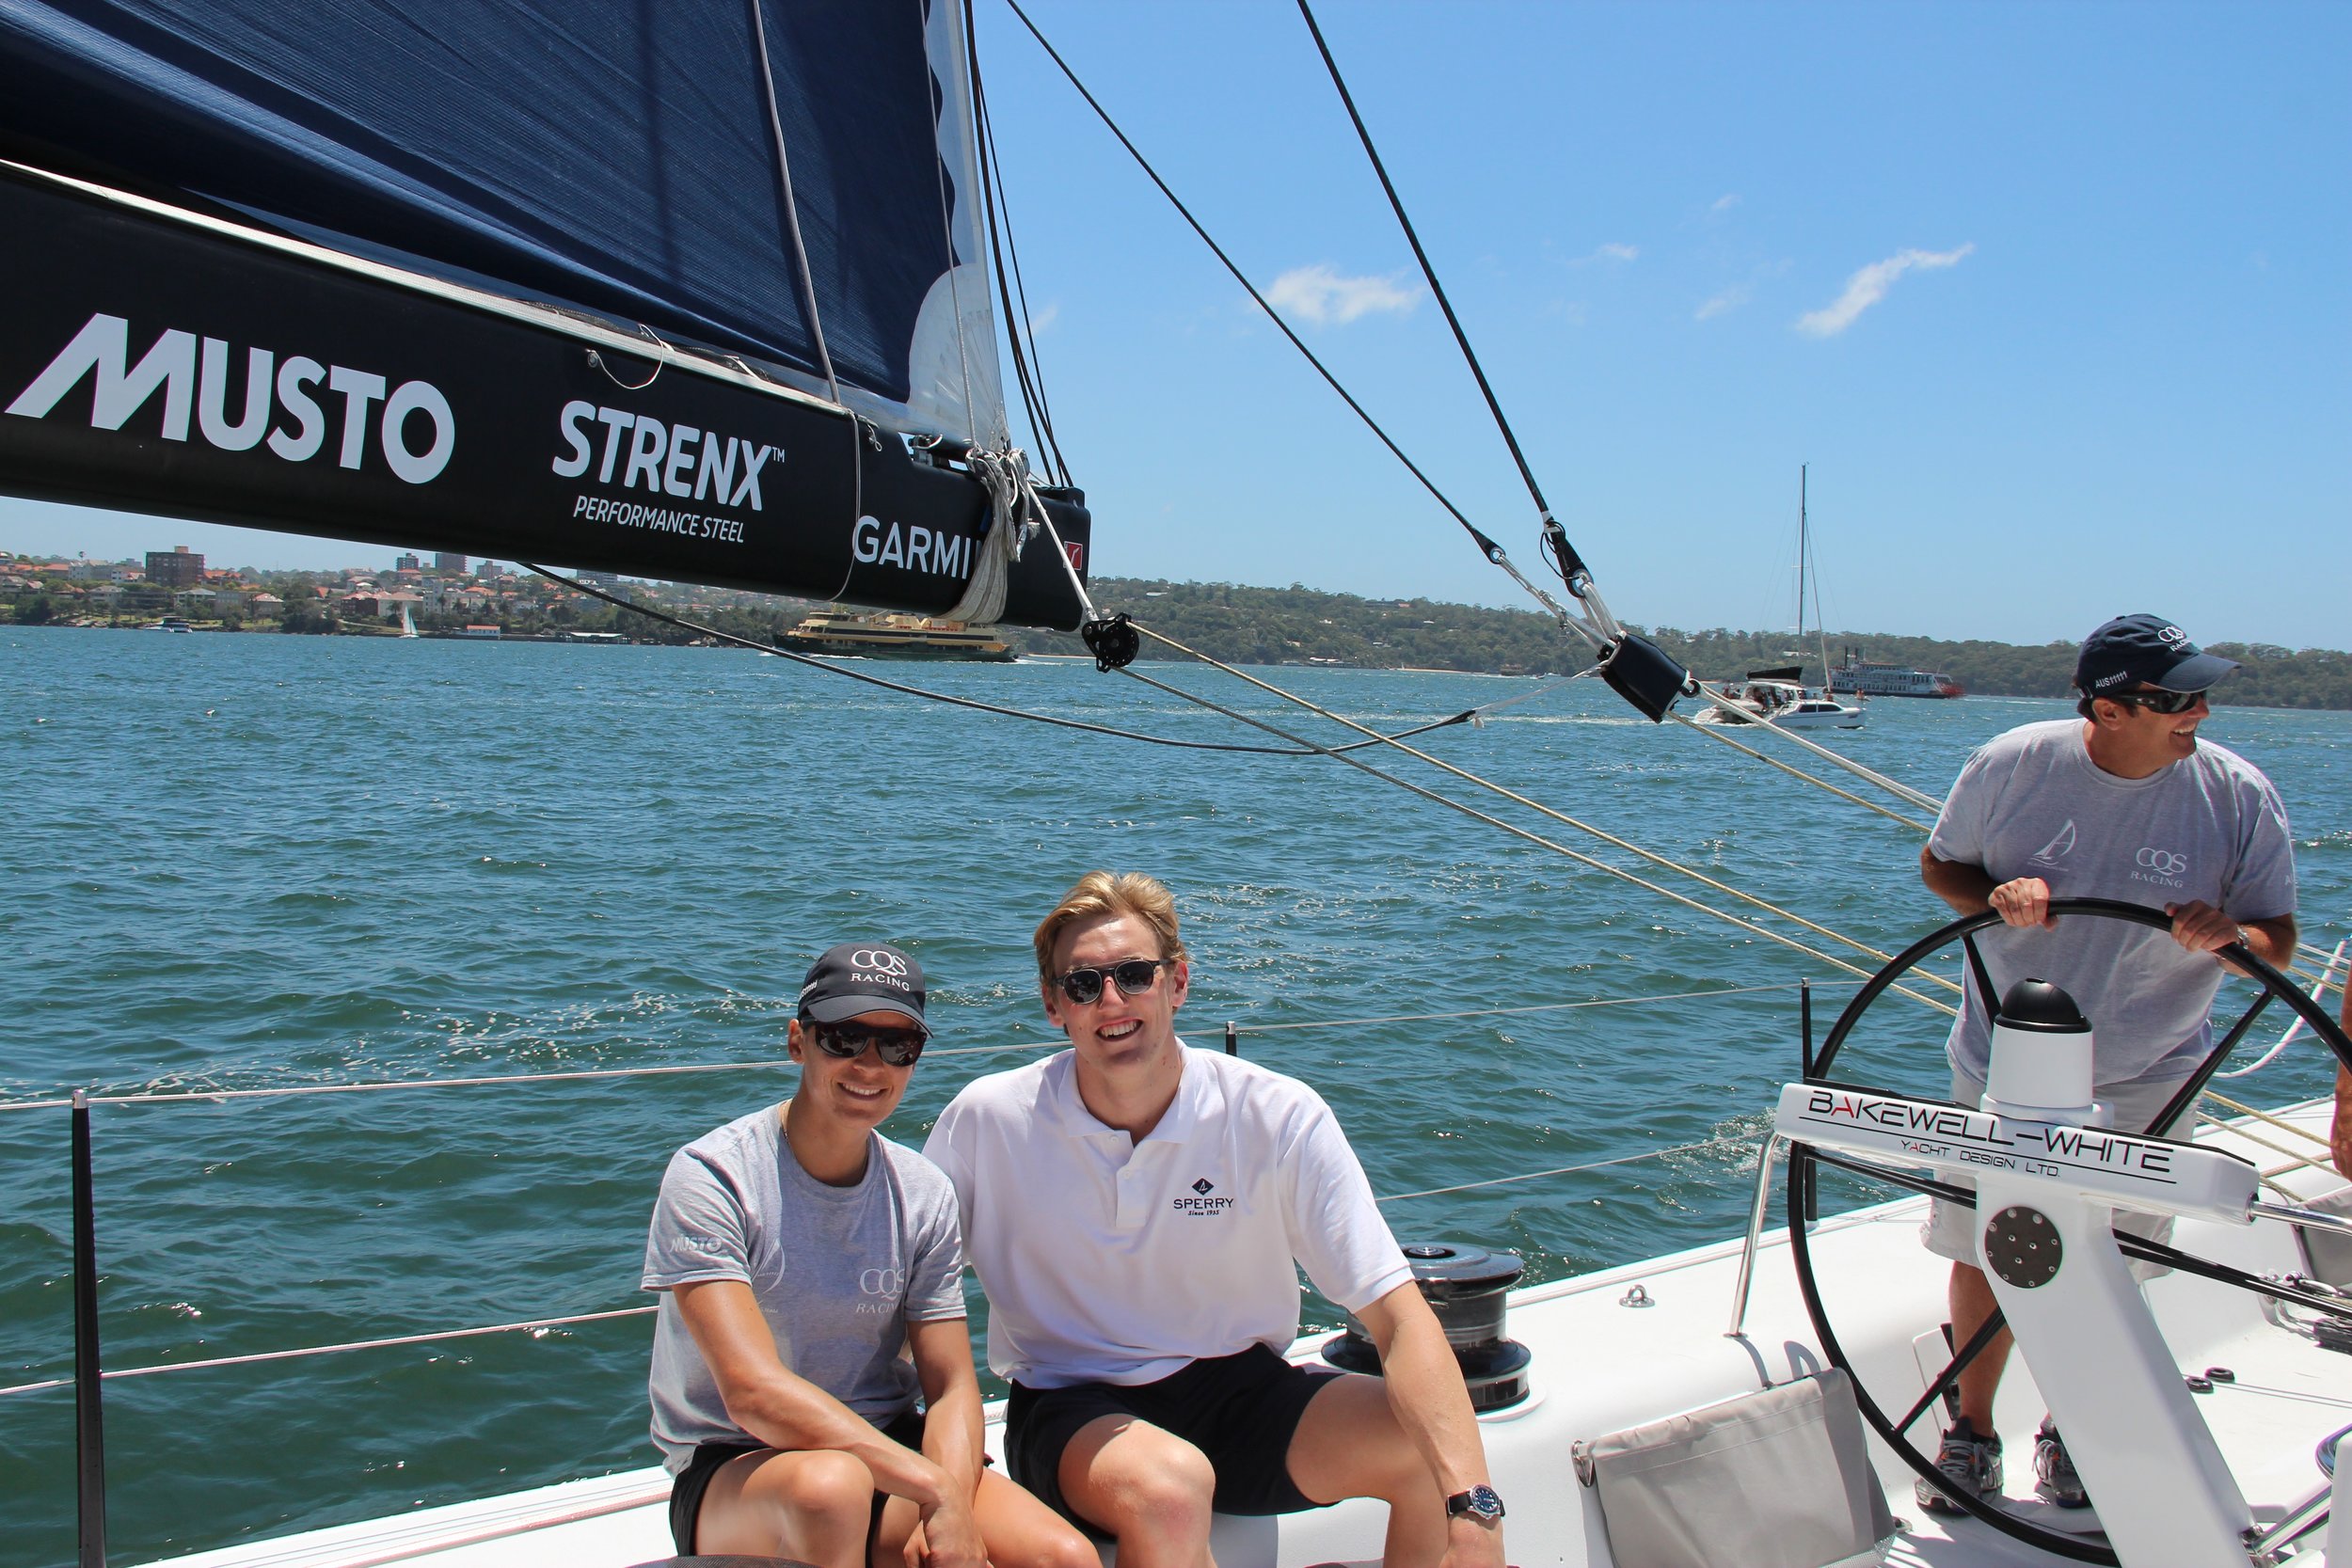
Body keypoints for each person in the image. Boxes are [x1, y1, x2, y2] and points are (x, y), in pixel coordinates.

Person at [924, 872, 1506, 1568]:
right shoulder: (989, 1121)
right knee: (1170, 1487)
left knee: (1425, 1451)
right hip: (1070, 1402)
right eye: (1084, 985)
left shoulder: (1275, 1115)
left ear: (1178, 982)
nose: (1113, 1000)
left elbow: (1400, 1318)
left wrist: (1476, 1515)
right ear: (1054, 1005)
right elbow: (909, 1289)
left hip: (1241, 1393)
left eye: (1135, 974)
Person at [1915, 613, 2297, 1515]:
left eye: (2201, 694)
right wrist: (1995, 894)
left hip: (2152, 1069)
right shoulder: (2013, 764)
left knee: (2113, 1258)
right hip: (2007, 1056)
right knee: (1986, 1247)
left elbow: (2277, 940)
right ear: (2110, 706)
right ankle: (1971, 1431)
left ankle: (2072, 1429)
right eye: (2177, 698)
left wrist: (2231, 934)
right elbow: (1942, 867)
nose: (2200, 711)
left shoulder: (2239, 794)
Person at [641, 941, 1093, 1568]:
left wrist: (951, 1505)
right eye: (844, 1038)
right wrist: (930, 1488)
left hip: (889, 1445)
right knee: (831, 1489)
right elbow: (752, 1392)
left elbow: (952, 1383)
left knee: (1064, 1556)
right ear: (798, 1040)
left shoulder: (923, 1191)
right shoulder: (712, 1176)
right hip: (739, 1461)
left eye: (898, 1045)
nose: (870, 1065)